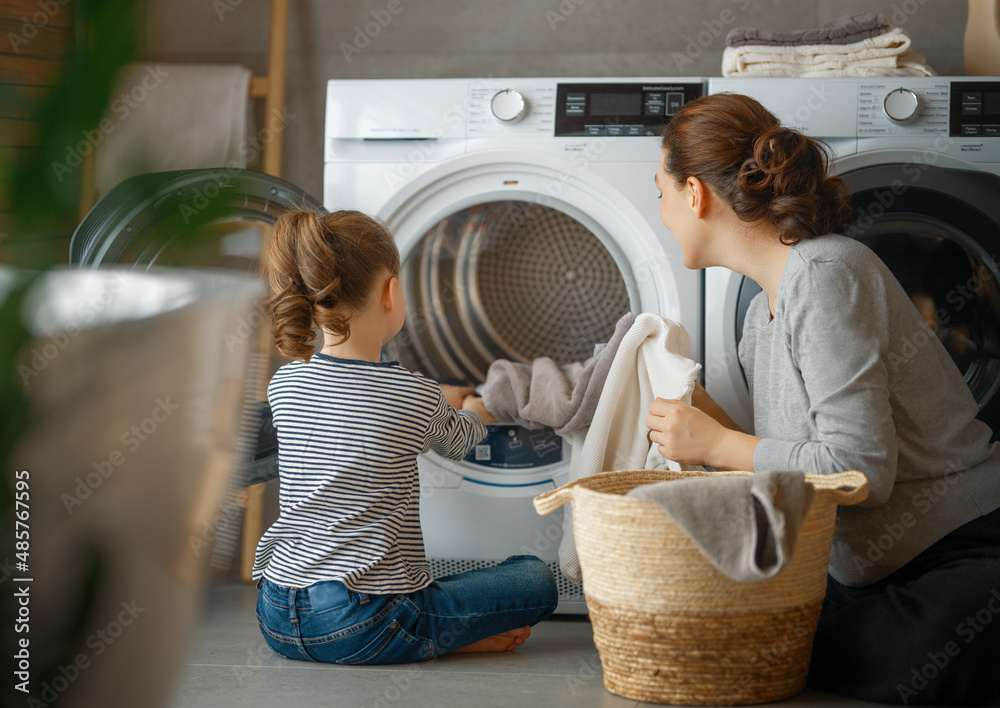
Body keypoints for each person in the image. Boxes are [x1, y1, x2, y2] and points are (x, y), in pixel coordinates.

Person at [645, 93, 1000, 705]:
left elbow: (858, 472)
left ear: (695, 193)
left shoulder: (826, 272)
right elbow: (796, 460)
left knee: (891, 644)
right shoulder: (762, 313)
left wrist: (721, 443)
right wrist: (705, 418)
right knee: (771, 631)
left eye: (660, 192)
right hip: (867, 574)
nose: (661, 211)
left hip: (959, 549)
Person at [252, 209, 558, 665]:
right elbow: (463, 438)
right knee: (535, 578)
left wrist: (434, 400)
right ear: (391, 293)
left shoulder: (286, 383)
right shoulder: (411, 393)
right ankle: (436, 635)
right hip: (364, 622)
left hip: (276, 613)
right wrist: (471, 406)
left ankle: (435, 632)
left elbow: (351, 411)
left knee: (426, 594)